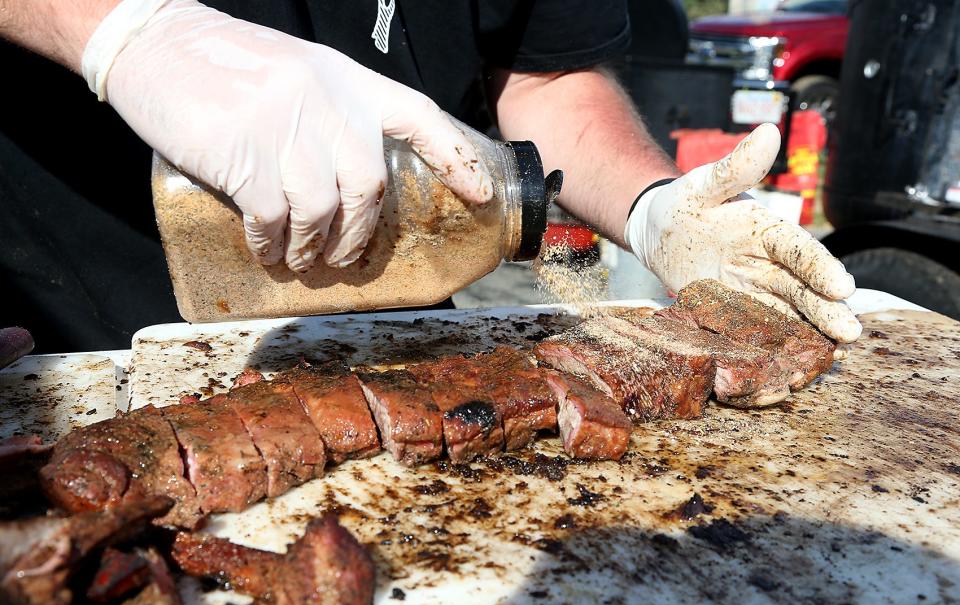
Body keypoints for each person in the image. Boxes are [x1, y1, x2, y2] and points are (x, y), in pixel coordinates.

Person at [0, 0, 862, 354]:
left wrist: (653, 208)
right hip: (61, 322)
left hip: (397, 322)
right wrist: (122, 34)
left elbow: (548, 72)